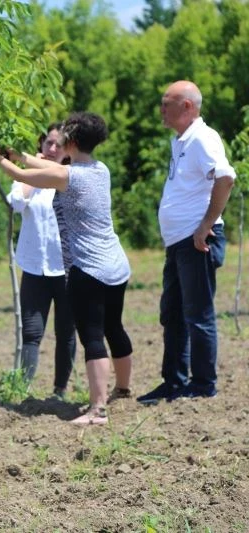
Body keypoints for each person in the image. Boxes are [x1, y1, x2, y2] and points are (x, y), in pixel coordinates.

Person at [0, 112, 133, 425]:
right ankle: (124, 390)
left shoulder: (69, 177)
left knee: (92, 337)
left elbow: (21, 177)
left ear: (71, 143)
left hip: (88, 268)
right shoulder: (100, 170)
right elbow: (45, 166)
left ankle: (97, 410)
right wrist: (17, 154)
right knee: (113, 327)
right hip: (116, 264)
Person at [137, 80, 236, 404]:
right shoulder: (180, 141)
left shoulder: (203, 139)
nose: (162, 109)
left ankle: (204, 384)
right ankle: (174, 382)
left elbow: (226, 177)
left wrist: (205, 224)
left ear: (187, 107)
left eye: (167, 103)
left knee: (198, 314)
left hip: (197, 241)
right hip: (178, 241)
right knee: (173, 313)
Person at [7, 124, 76, 397]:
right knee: (32, 333)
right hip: (35, 266)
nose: (53, 149)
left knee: (66, 332)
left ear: (67, 151)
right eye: (49, 143)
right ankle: (22, 390)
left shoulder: (72, 177)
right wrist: (30, 174)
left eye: (59, 145)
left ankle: (60, 390)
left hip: (67, 268)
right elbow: (16, 202)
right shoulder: (27, 177)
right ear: (41, 145)